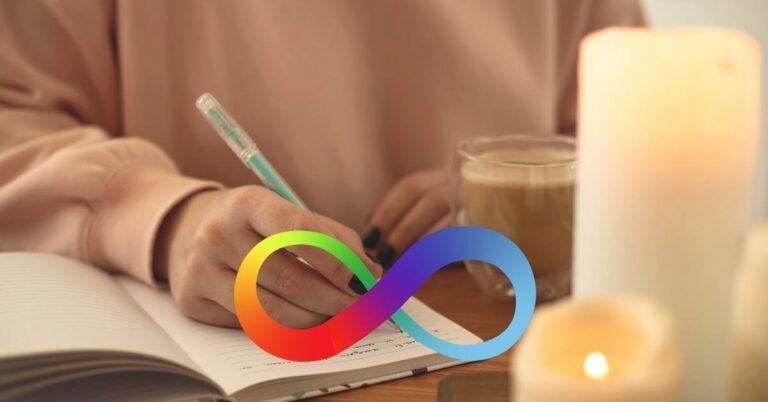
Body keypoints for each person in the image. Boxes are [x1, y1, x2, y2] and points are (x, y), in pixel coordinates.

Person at [0, 1, 643, 328]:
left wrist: (524, 193)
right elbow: (15, 114)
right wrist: (164, 217)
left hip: (507, 334)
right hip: (210, 341)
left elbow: (648, 126)